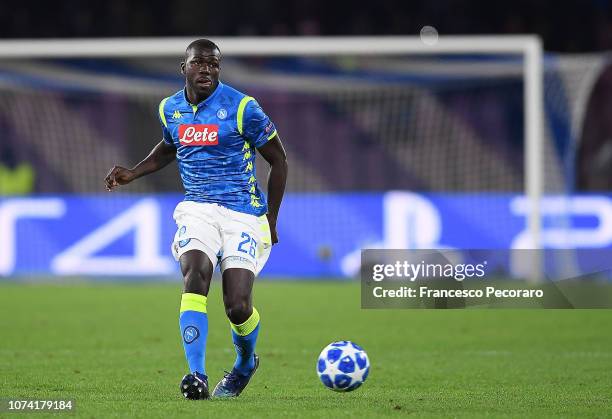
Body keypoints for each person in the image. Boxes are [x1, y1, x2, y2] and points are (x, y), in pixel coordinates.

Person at [104, 39, 288, 400]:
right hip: (197, 208)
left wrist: (271, 218)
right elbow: (171, 145)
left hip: (242, 214)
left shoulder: (243, 108)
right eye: (199, 63)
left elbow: (279, 160)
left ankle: (245, 363)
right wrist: (134, 172)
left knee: (237, 306)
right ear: (184, 67)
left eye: (214, 64)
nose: (206, 69)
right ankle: (197, 375)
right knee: (195, 274)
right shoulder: (169, 108)